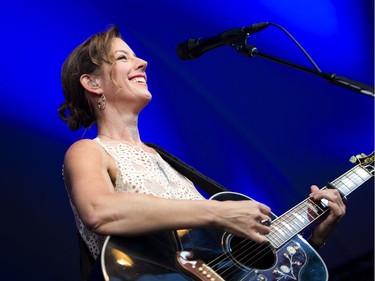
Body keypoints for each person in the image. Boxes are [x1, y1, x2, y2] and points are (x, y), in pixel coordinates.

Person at [58, 25, 346, 279]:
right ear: (92, 83)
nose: (143, 62)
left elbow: (228, 270)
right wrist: (217, 212)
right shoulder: (88, 151)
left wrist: (310, 238)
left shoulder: (168, 164)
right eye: (123, 58)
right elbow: (99, 211)